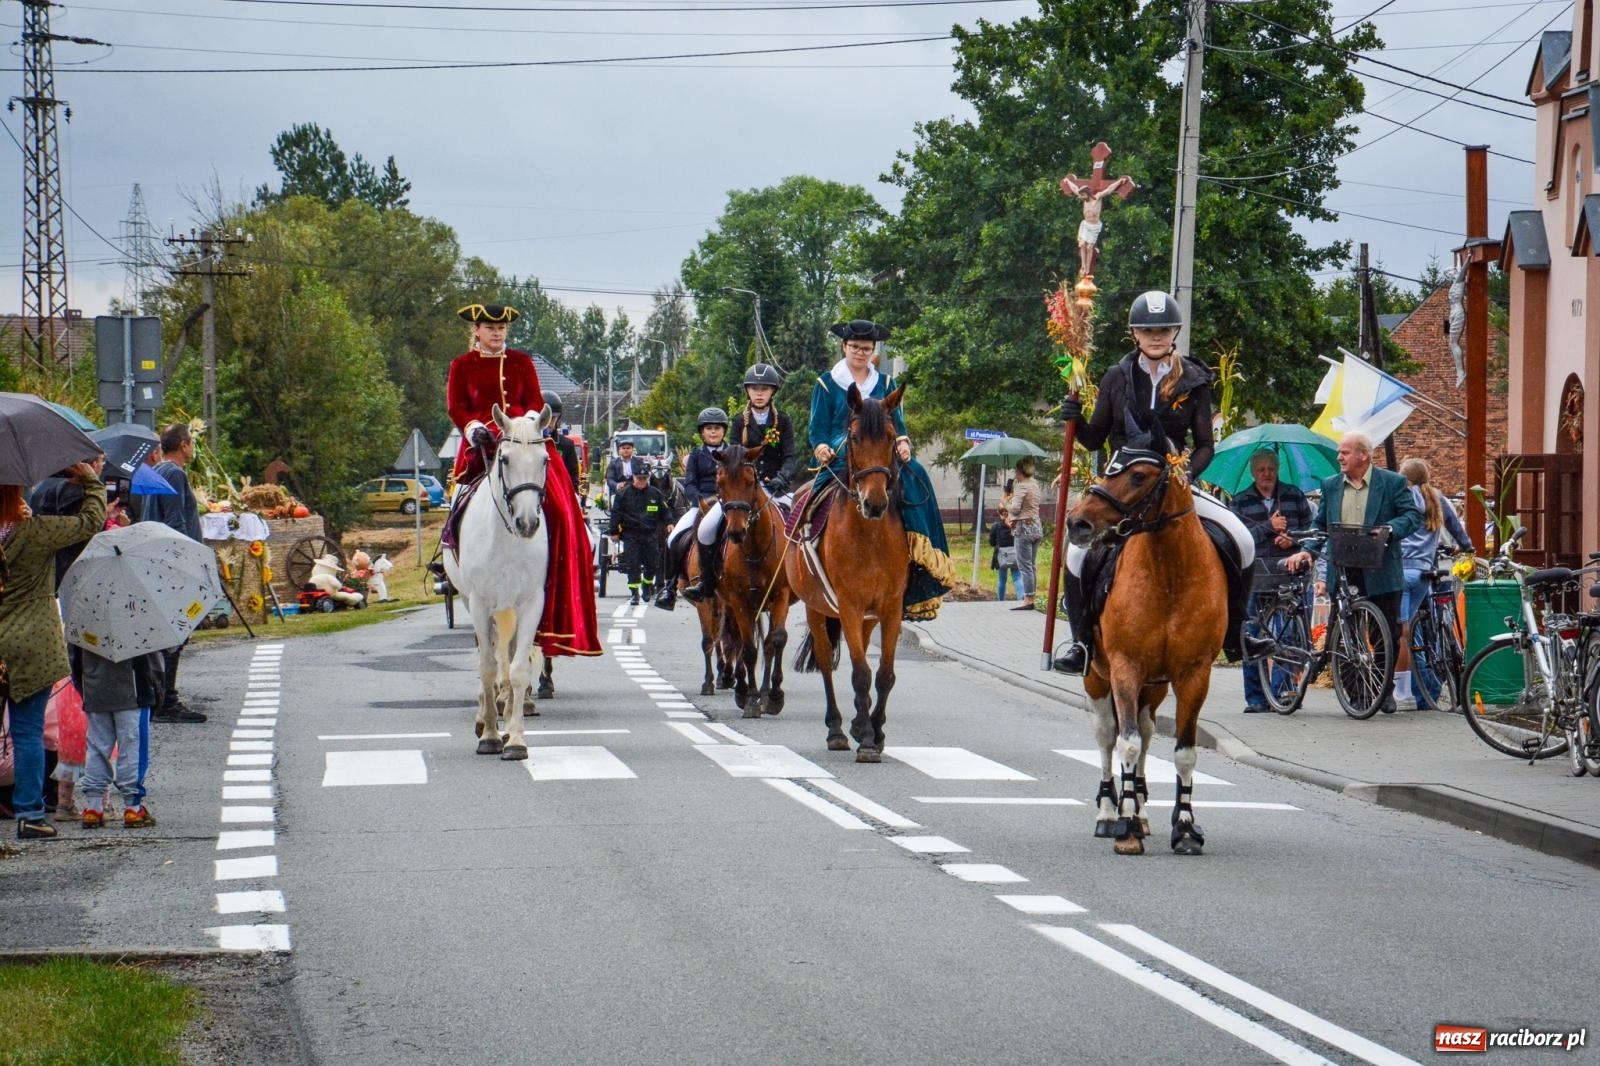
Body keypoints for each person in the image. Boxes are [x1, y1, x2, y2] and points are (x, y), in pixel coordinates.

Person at [1052, 290, 1265, 674]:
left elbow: (1204, 445)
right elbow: (1092, 439)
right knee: (1077, 553)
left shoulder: (1194, 379)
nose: (1156, 336)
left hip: (1175, 482)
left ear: (1174, 333)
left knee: (1244, 539)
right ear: (1134, 333)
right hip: (1123, 486)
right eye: (1148, 330)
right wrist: (1074, 419)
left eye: (1164, 329)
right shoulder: (1117, 377)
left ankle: (1237, 633)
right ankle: (1081, 643)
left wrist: (1186, 473)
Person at [442, 303, 599, 658]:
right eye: (489, 328)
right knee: (460, 501)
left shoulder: (522, 362)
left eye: (501, 329)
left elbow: (532, 400)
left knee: (560, 506)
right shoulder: (461, 366)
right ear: (477, 331)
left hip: (524, 440)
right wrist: (474, 427)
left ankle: (566, 562)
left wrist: (526, 423)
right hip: (482, 446)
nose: (497, 334)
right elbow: (456, 407)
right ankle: (450, 552)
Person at [809, 319, 955, 620]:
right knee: (809, 498)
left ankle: (923, 557)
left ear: (873, 351)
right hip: (841, 450)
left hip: (881, 451)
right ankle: (805, 539)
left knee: (916, 473)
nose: (860, 353)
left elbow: (898, 425)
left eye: (866, 348)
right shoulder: (826, 382)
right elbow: (817, 428)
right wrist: (820, 446)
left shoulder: (886, 384)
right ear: (844, 347)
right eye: (854, 347)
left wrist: (902, 441)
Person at [0, 464, 106, 839]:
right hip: (32, 645)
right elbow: (90, 521)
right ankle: (29, 814)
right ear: (17, 494)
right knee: (28, 732)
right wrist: (90, 480)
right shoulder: (35, 532)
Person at [1285, 431, 1423, 713]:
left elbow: (1412, 516)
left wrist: (1390, 529)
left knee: (1387, 632)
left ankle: (1384, 691)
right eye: (1339, 452)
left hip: (1381, 569)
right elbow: (1320, 525)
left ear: (1363, 455)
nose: (1339, 457)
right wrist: (1306, 550)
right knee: (1343, 635)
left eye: (1344, 453)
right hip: (1345, 570)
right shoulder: (1332, 485)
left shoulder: (1392, 483)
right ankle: (1357, 695)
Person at [1229, 448, 1316, 713]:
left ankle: (1283, 693)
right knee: (1252, 635)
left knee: (1288, 634)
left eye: (1271, 469)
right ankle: (1256, 698)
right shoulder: (1241, 501)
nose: (1267, 474)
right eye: (1261, 470)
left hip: (1287, 573)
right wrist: (1268, 526)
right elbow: (1236, 538)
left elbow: (1311, 530)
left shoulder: (1293, 495)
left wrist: (1293, 539)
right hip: (1255, 576)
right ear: (1254, 473)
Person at [1396, 457, 1474, 710]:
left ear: (1405, 478)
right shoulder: (1437, 498)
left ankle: (1410, 693)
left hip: (1402, 570)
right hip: (1426, 572)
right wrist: (1467, 548)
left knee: (1403, 633)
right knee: (1425, 627)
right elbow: (1458, 531)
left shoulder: (1403, 498)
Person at [140, 423, 205, 723]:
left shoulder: (155, 473)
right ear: (183, 444)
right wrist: (188, 562)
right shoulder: (176, 474)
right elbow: (176, 520)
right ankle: (167, 700)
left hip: (154, 559)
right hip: (173, 564)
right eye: (191, 444)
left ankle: (160, 697)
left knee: (166, 631)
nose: (192, 449)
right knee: (176, 631)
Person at [70, 643, 160, 828]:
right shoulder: (135, 619)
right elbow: (150, 662)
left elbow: (74, 662)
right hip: (132, 693)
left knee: (96, 748)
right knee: (132, 747)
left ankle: (93, 807)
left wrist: (85, 688)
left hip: (94, 691)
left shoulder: (81, 621)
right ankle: (132, 807)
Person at [658, 407, 728, 610]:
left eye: (717, 428)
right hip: (701, 505)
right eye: (709, 429)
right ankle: (669, 587)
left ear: (723, 431)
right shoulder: (696, 456)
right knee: (674, 539)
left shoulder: (731, 452)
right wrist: (699, 499)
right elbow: (689, 483)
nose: (713, 432)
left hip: (727, 504)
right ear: (702, 433)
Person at [609, 467, 669, 606]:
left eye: (644, 478)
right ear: (633, 478)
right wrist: (614, 532)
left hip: (650, 535)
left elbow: (665, 511)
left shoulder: (655, 493)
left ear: (648, 478)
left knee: (652, 563)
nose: (641, 481)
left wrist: (669, 523)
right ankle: (634, 593)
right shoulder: (623, 494)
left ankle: (646, 585)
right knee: (633, 564)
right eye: (639, 478)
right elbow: (615, 514)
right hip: (631, 535)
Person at [1007, 458, 1044, 609]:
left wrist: (1005, 503)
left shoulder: (1022, 486)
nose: (1015, 473)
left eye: (1016, 470)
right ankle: (1032, 595)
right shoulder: (1034, 485)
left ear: (1020, 471)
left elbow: (1015, 509)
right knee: (1032, 565)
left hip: (1023, 528)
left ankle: (1028, 599)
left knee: (1024, 566)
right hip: (1035, 526)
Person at [542, 391, 581, 494]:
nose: (548, 423)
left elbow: (573, 477)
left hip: (559, 493)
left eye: (552, 419)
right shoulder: (529, 443)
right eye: (545, 419)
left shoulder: (566, 445)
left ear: (558, 418)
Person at [989, 497, 1019, 601]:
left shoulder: (996, 526)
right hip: (1015, 554)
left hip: (1001, 556)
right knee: (1017, 577)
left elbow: (991, 542)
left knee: (1002, 580)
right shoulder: (1016, 525)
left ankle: (1001, 600)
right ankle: (1021, 598)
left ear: (999, 513)